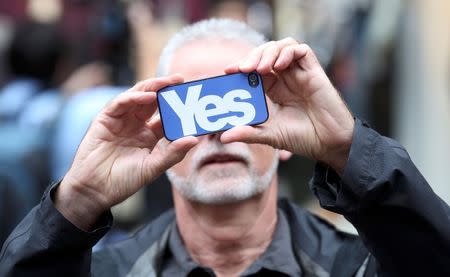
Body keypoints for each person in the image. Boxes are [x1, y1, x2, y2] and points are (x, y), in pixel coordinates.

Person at [1, 18, 449, 277]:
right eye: (192, 109)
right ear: (158, 132)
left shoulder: (356, 268)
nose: (215, 131)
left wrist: (348, 147)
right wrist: (77, 201)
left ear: (286, 141)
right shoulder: (109, 272)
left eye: (238, 104)